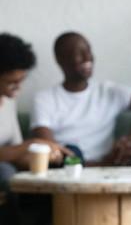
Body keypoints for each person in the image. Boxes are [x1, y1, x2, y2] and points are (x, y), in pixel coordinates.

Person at [31, 32, 131, 166]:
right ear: (60, 61)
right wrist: (99, 166)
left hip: (108, 168)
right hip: (67, 169)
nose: (88, 57)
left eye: (88, 51)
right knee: (70, 151)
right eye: (79, 53)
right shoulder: (45, 99)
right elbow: (49, 150)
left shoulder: (108, 92)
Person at [0, 33, 72, 225]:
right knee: (5, 172)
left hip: (9, 167)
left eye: (22, 79)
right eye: (12, 82)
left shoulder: (7, 101)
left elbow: (14, 148)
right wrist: (33, 144)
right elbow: (16, 150)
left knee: (57, 169)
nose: (19, 87)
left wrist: (47, 160)